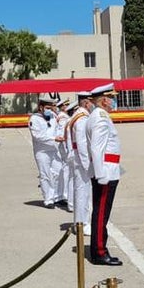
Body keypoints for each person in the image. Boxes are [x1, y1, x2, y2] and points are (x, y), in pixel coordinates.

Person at [86, 83, 122, 266]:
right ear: (104, 100)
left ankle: (99, 248)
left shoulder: (99, 116)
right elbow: (97, 148)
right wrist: (101, 175)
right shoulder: (100, 118)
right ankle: (99, 252)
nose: (114, 101)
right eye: (112, 98)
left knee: (101, 212)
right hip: (105, 172)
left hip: (107, 169)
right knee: (101, 213)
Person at [65, 93, 94, 233]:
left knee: (81, 192)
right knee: (83, 193)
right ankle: (82, 224)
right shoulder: (82, 119)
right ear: (86, 103)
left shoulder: (77, 116)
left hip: (77, 157)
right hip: (81, 160)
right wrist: (88, 165)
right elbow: (82, 144)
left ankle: (80, 223)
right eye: (91, 102)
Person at [29, 97, 64, 208]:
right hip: (42, 151)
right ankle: (48, 199)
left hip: (53, 149)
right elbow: (37, 136)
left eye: (51, 107)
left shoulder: (53, 116)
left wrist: (60, 136)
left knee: (59, 171)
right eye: (48, 108)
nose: (50, 110)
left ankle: (58, 197)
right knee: (45, 175)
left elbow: (57, 129)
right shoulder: (34, 119)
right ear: (41, 107)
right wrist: (54, 138)